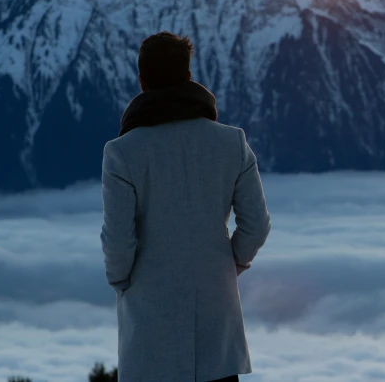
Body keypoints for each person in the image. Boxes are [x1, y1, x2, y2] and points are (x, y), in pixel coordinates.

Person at [100, 32, 271, 382]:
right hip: (217, 329)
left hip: (151, 334)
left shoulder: (122, 153)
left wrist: (124, 282)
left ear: (142, 81)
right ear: (188, 77)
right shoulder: (232, 142)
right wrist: (227, 265)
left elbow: (118, 240)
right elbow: (256, 224)